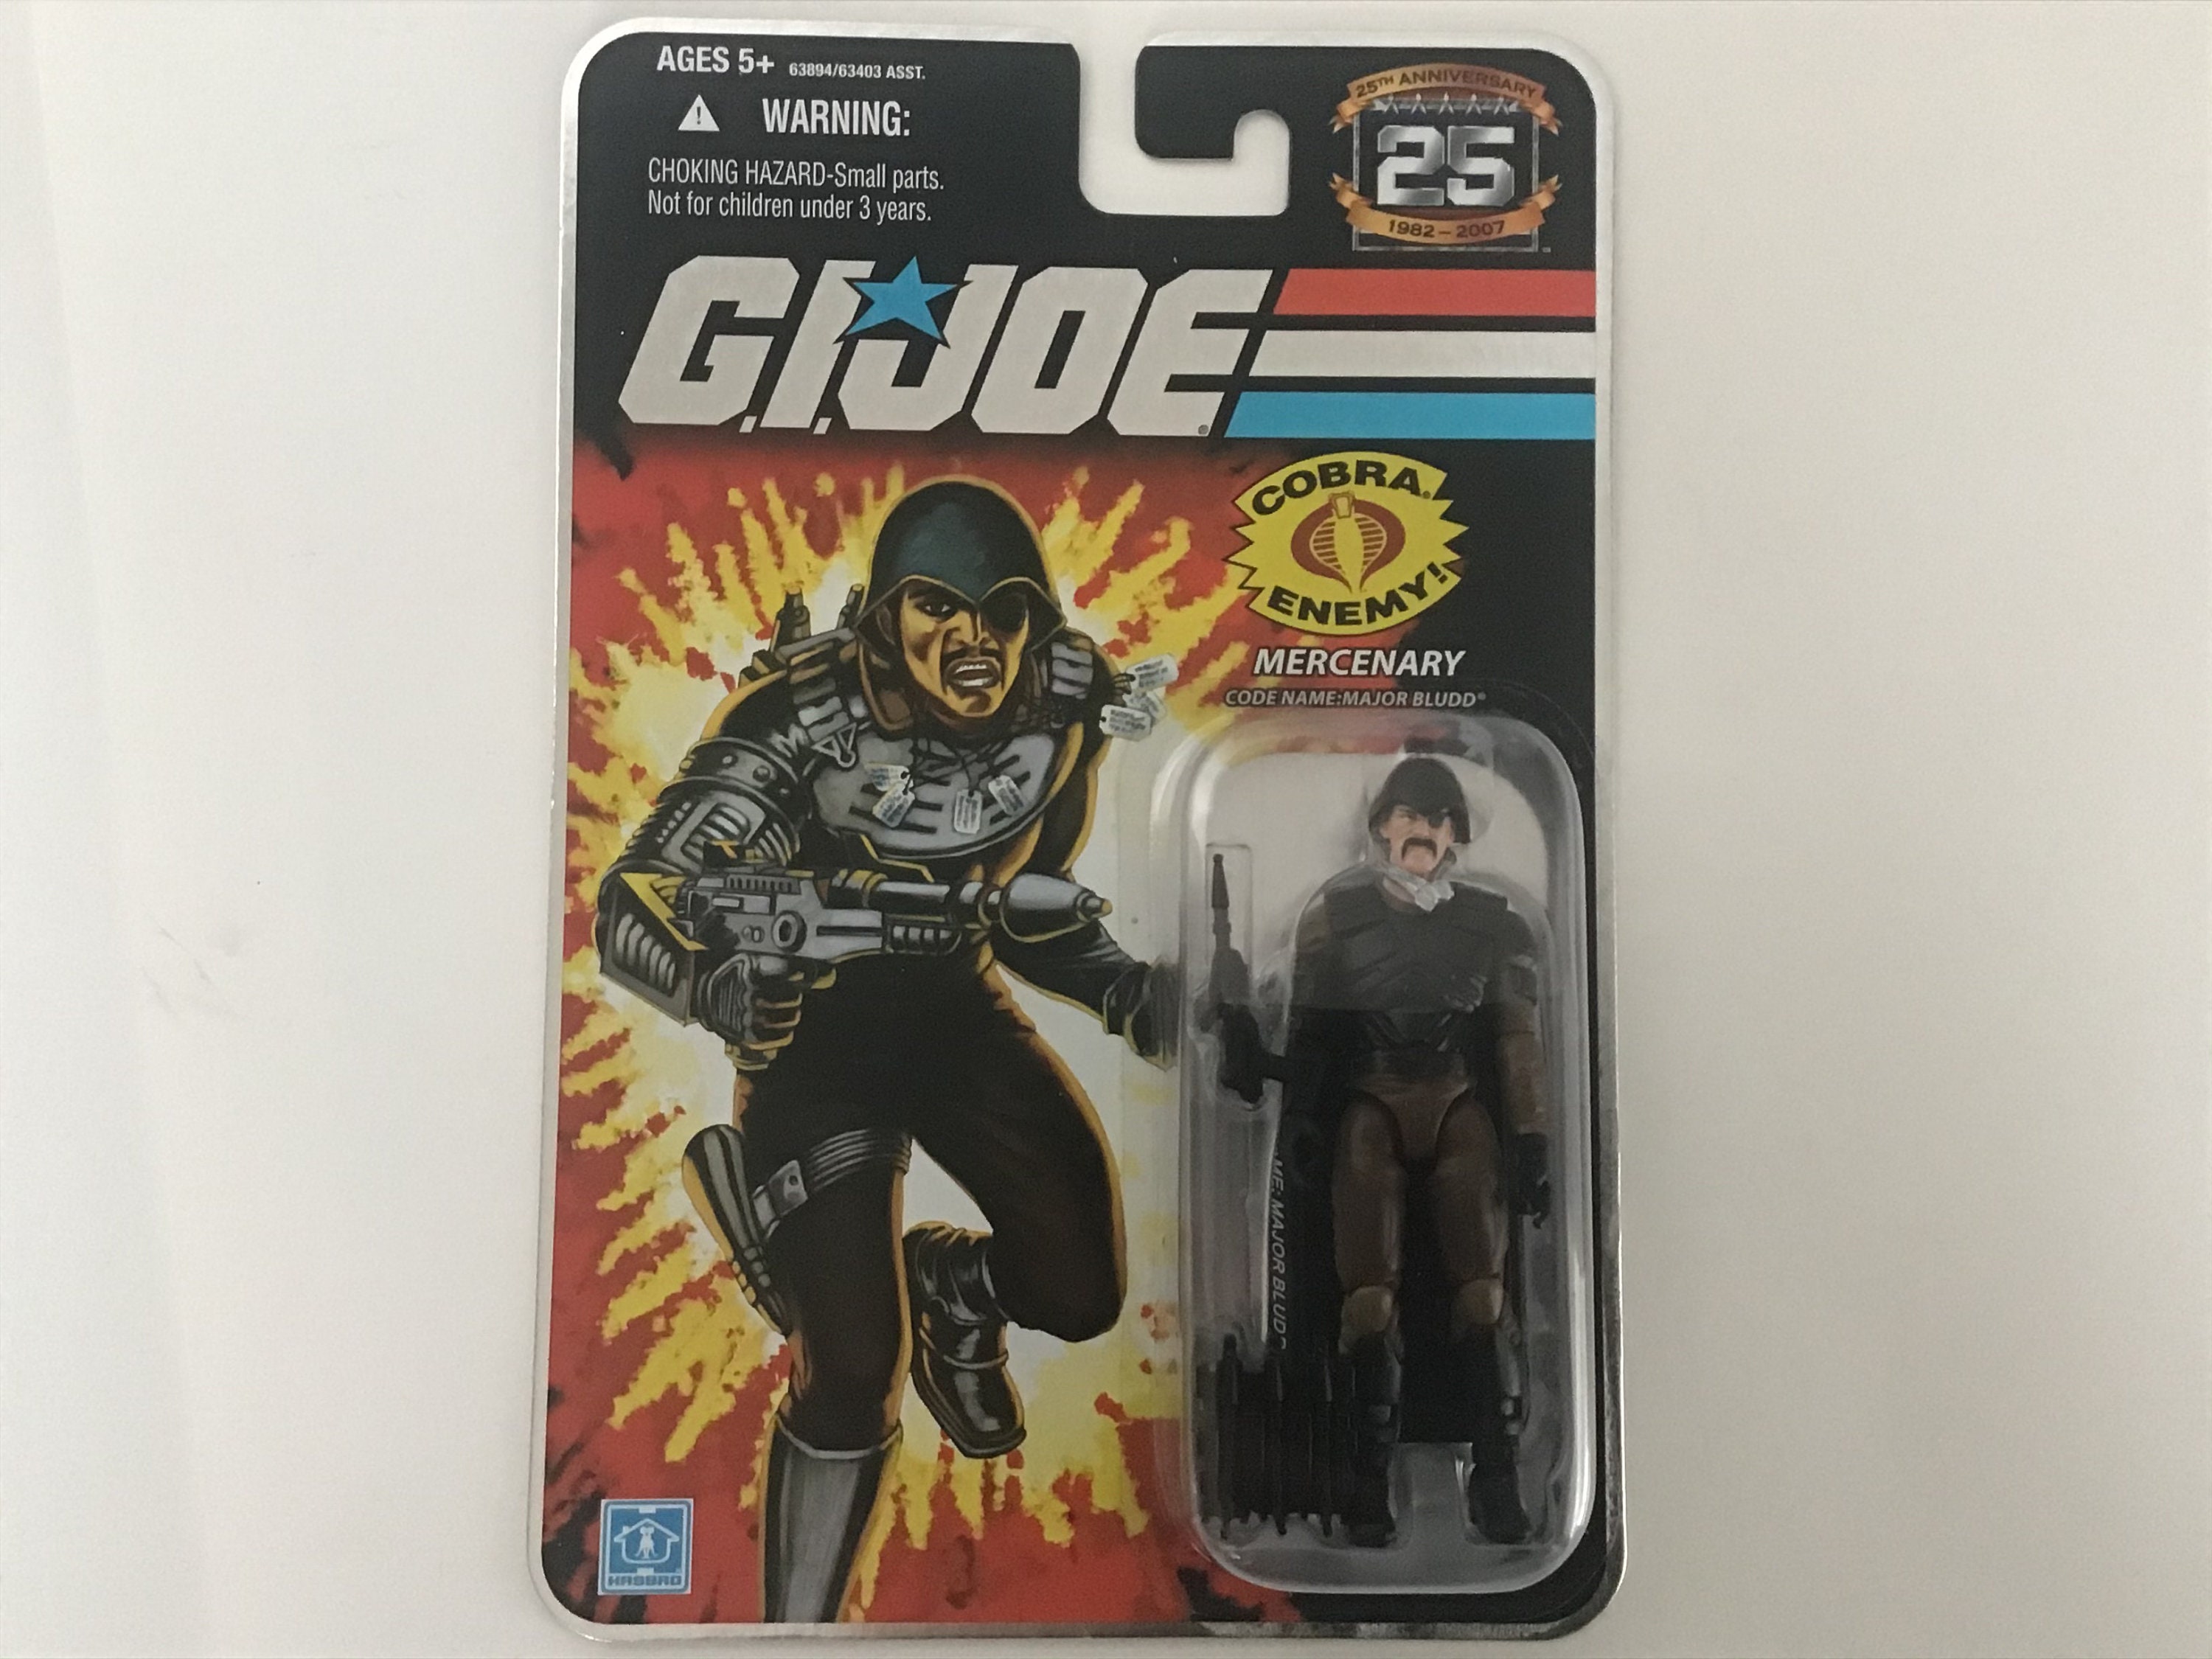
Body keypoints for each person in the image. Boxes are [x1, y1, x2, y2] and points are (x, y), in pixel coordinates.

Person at [594, 479, 1170, 1621]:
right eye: (936, 608)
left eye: (1002, 611)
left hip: (953, 1009)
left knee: (1083, 1289)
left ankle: (954, 1283)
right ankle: (795, 1627)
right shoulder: (797, 720)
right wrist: (716, 987)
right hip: (814, 1037)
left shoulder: (1059, 700)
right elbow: (635, 900)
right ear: (883, 617)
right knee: (854, 1365)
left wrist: (1127, 990)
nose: (973, 641)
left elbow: (1026, 902)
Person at [1216, 756, 1551, 1545]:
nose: (1423, 830)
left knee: (1485, 1298)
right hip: (1369, 1102)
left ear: (1456, 835)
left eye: (1438, 819)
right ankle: (1365, 1483)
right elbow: (1311, 1034)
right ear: (1382, 828)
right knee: (1367, 1301)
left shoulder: (1494, 925)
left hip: (1459, 1103)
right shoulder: (1337, 918)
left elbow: (1516, 1042)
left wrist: (1532, 1136)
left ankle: (1496, 1476)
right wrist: (1293, 1106)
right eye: (1409, 815)